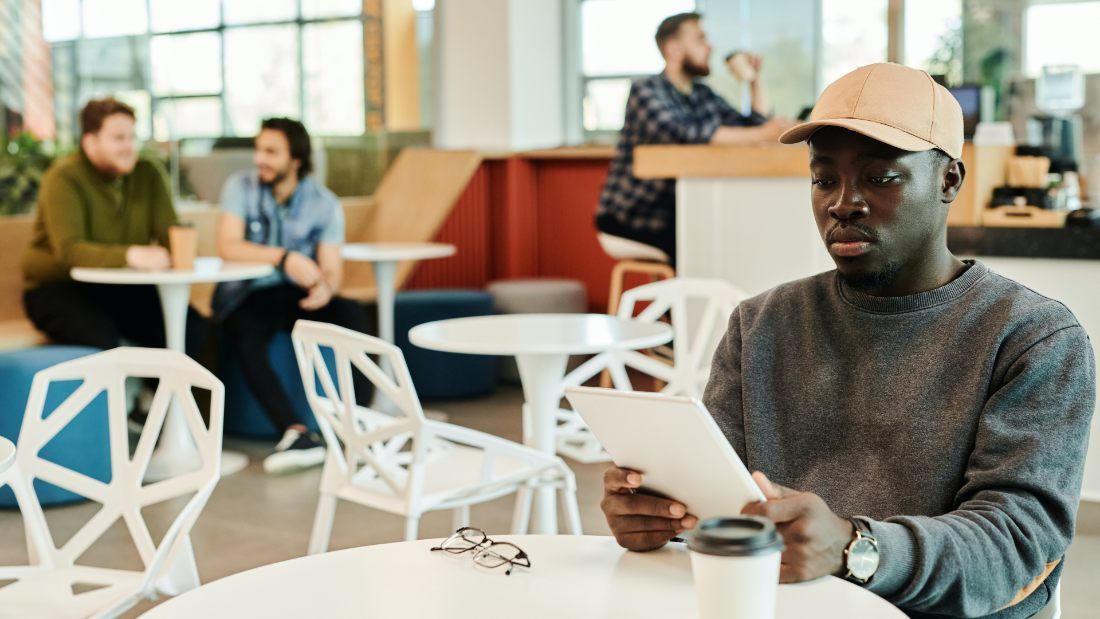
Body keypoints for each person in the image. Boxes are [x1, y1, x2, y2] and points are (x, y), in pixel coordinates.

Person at [600, 63, 1094, 618]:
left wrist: (856, 548)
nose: (842, 203)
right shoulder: (760, 324)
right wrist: (661, 517)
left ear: (949, 181)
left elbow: (1018, 547)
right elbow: (718, 502)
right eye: (823, 179)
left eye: (880, 176)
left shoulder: (1033, 338)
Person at [214, 117, 376, 475]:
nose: (260, 159)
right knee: (244, 331)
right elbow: (228, 246)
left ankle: (358, 426)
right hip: (248, 293)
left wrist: (325, 288)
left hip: (296, 297)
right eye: (259, 150)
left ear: (296, 159)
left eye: (271, 152)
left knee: (354, 315)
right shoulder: (239, 187)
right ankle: (296, 431)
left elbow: (332, 268)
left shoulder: (324, 203)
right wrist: (284, 258)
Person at [595, 12, 795, 264]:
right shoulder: (645, 90)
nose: (710, 46)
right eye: (700, 39)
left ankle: (692, 302)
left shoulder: (702, 94)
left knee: (724, 234)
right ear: (674, 49)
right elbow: (684, 134)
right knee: (704, 247)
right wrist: (766, 133)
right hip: (633, 214)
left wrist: (754, 81)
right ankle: (679, 304)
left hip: (677, 211)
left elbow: (751, 127)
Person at [21, 97, 206, 355]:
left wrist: (178, 251)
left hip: (121, 286)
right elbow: (71, 252)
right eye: (119, 138)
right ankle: (139, 394)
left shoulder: (147, 173)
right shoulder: (64, 178)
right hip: (58, 289)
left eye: (133, 137)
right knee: (100, 337)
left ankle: (163, 396)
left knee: (196, 331)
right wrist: (132, 254)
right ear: (90, 142)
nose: (130, 146)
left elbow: (170, 233)